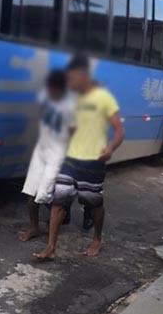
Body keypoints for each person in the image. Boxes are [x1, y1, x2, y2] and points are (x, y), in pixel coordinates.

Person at [33, 55, 124, 260]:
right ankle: (50, 247)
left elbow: (119, 131)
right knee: (58, 201)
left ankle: (97, 239)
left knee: (94, 203)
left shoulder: (103, 98)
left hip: (94, 161)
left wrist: (110, 148)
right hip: (70, 159)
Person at [18, 70, 75, 242]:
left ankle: (52, 237)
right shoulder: (46, 100)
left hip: (59, 155)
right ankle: (34, 227)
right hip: (41, 151)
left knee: (52, 196)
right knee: (31, 194)